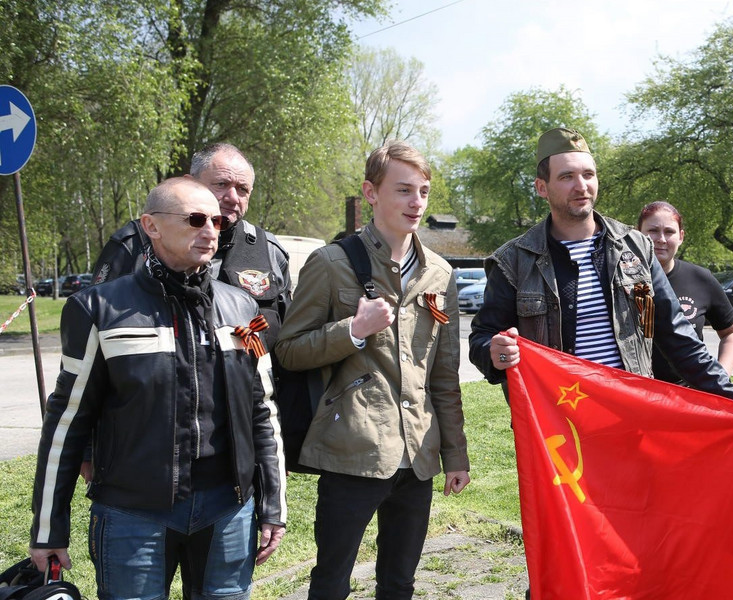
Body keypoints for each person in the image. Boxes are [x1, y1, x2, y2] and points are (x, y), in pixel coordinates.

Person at [29, 178, 286, 599]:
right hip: (133, 513)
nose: (210, 231)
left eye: (217, 222)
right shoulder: (97, 309)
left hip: (228, 510)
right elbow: (66, 420)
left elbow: (262, 411)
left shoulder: (241, 307)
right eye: (196, 219)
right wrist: (47, 529)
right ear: (151, 225)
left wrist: (273, 506)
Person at [275, 140, 470, 600]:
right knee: (332, 581)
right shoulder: (331, 263)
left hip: (418, 456)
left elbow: (443, 373)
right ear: (371, 192)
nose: (416, 202)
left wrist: (455, 454)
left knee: (400, 582)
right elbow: (288, 351)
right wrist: (353, 331)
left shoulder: (438, 273)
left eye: (423, 191)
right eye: (403, 190)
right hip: (352, 451)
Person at [468, 127, 733, 409]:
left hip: (631, 414)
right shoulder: (513, 261)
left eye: (588, 175)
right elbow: (482, 337)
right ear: (542, 187)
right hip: (558, 423)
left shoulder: (636, 247)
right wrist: (494, 353)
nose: (581, 186)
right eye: (567, 176)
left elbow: (676, 334)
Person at [91, 143, 290, 347]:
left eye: (242, 189)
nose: (232, 198)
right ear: (190, 183)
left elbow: (287, 341)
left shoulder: (268, 250)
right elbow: (94, 329)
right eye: (221, 184)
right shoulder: (135, 243)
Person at [636, 200, 733, 382]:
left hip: (687, 395)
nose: (661, 239)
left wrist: (721, 376)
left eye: (669, 232)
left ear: (681, 236)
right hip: (631, 393)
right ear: (637, 233)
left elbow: (732, 333)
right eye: (653, 231)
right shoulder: (618, 278)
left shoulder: (701, 279)